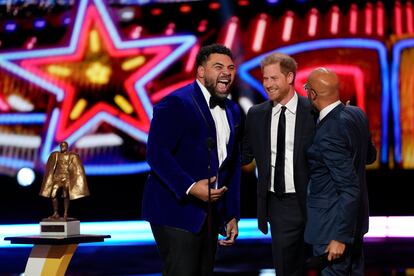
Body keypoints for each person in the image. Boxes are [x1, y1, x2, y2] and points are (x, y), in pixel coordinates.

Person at [142, 44, 241, 276]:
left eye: (230, 67)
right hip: (175, 210)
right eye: (218, 67)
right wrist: (190, 186)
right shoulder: (177, 103)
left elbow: (232, 165)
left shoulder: (233, 111)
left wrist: (231, 214)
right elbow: (156, 153)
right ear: (200, 72)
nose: (226, 72)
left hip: (210, 214)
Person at [242, 53, 315, 276]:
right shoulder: (256, 114)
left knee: (324, 264)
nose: (268, 85)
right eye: (265, 79)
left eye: (274, 78)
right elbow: (244, 154)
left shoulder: (313, 110)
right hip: (280, 203)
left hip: (315, 200)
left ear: (290, 77)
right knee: (286, 268)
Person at [304, 67, 377, 275]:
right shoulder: (356, 113)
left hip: (333, 229)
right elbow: (370, 156)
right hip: (355, 223)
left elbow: (349, 187)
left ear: (312, 94)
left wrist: (340, 237)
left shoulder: (328, 132)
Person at [39, 141, 89, 220]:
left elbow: (76, 168)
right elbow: (51, 167)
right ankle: (56, 213)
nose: (63, 147)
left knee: (66, 195)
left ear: (67, 147)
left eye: (64, 145)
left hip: (66, 178)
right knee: (53, 195)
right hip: (57, 178)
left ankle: (65, 212)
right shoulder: (56, 155)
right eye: (61, 145)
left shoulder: (71, 156)